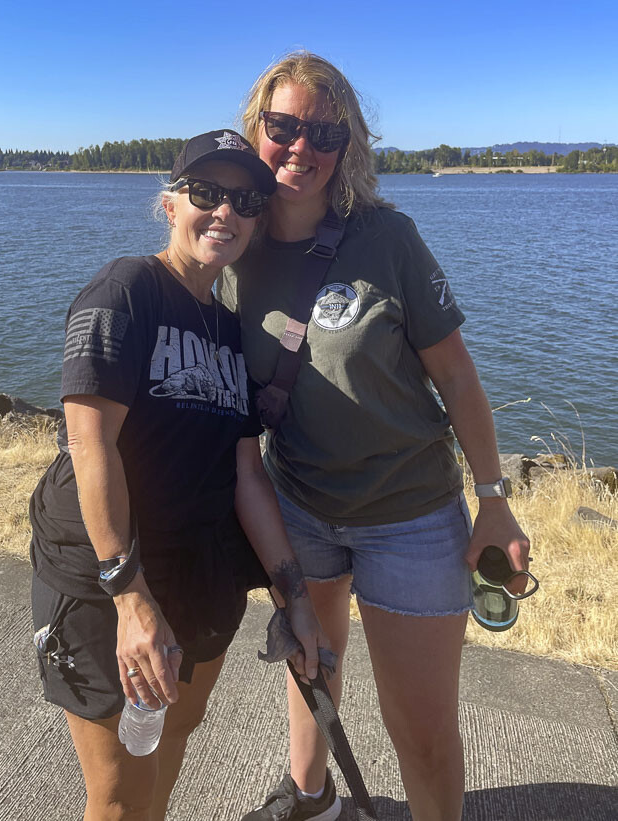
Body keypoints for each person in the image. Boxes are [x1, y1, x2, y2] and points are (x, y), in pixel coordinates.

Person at [218, 53, 531, 821]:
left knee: (420, 728)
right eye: (283, 126)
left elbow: (457, 378)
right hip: (300, 506)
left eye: (323, 131)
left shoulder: (388, 238)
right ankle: (312, 798)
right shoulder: (232, 247)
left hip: (411, 514)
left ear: (348, 143)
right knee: (312, 670)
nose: (301, 146)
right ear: (257, 127)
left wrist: (493, 501)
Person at [29, 129, 327, 821]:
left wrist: (294, 592)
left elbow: (247, 473)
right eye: (206, 193)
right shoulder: (125, 291)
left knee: (169, 747)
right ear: (170, 205)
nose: (225, 211)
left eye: (245, 200)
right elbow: (90, 443)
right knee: (121, 795)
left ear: (258, 220)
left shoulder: (229, 328)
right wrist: (130, 600)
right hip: (111, 582)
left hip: (201, 578)